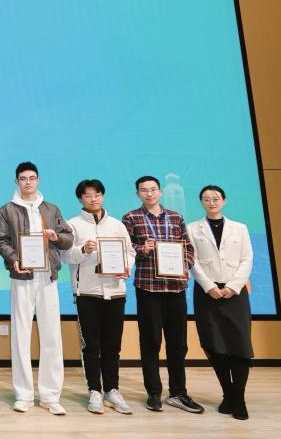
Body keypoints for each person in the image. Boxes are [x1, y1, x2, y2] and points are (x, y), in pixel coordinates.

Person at [0, 161, 73, 416]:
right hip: (22, 278)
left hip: (48, 277)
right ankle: (23, 395)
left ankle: (51, 396)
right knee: (21, 336)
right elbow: (1, 240)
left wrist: (56, 237)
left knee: (52, 336)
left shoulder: (51, 209)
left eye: (32, 178)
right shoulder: (6, 210)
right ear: (16, 181)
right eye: (23, 178)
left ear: (38, 180)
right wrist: (13, 259)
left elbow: (68, 237)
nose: (27, 182)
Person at [122, 175, 202, 413]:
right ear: (138, 193)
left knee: (178, 344)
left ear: (160, 192)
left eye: (153, 189)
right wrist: (141, 249)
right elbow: (124, 248)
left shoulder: (176, 217)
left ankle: (178, 392)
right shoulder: (131, 217)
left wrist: (184, 264)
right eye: (144, 190)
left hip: (176, 288)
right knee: (151, 343)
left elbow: (189, 248)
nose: (149, 193)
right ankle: (154, 393)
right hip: (148, 288)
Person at [62, 178, 136, 415]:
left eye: (97, 194)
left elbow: (130, 252)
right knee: (91, 345)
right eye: (87, 195)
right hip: (87, 292)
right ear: (80, 199)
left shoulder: (117, 225)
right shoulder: (72, 225)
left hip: (115, 291)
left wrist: (126, 267)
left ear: (103, 196)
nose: (93, 199)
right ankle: (94, 390)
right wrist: (83, 250)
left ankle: (112, 390)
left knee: (112, 345)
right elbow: (65, 256)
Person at [187, 185, 254, 420]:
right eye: (206, 199)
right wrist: (210, 287)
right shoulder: (192, 228)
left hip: (235, 293)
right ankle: (228, 393)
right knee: (214, 344)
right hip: (207, 293)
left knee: (240, 345)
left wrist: (233, 286)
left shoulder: (240, 228)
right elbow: (192, 261)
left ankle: (239, 397)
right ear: (202, 202)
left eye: (216, 198)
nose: (212, 202)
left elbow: (247, 259)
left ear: (224, 201)